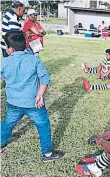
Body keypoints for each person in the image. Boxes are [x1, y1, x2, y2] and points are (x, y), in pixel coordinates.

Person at [0, 31, 64, 162]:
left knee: (8, 123)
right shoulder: (34, 60)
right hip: (34, 103)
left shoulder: (4, 62)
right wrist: (40, 94)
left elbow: (4, 76)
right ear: (24, 45)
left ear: (10, 49)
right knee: (43, 125)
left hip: (13, 102)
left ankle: (1, 143)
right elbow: (45, 79)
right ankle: (47, 154)